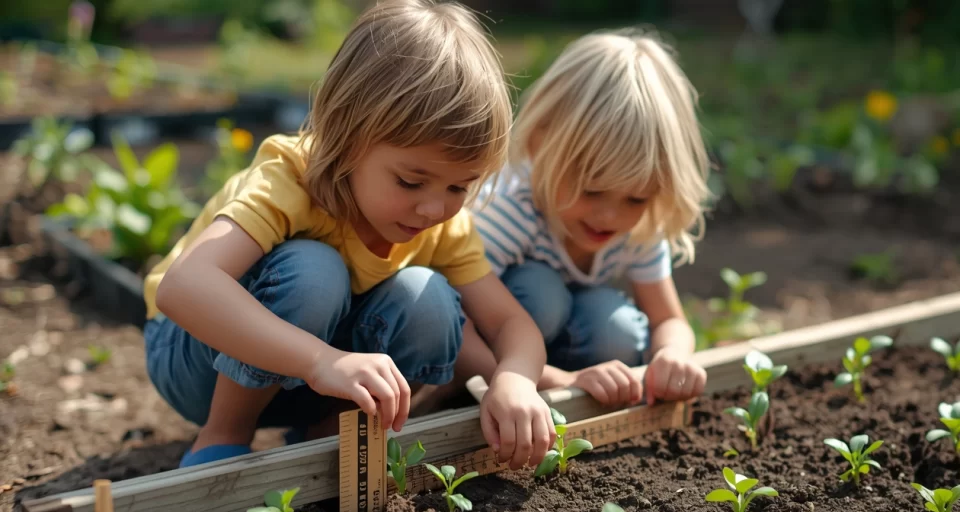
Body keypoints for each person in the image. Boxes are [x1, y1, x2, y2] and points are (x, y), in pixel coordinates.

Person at [142, 0, 555, 470]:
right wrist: (321, 361)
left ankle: (325, 433)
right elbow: (184, 287)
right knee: (313, 270)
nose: (434, 207)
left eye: (460, 186)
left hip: (311, 381)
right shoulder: (291, 179)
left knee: (431, 300)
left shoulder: (442, 224)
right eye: (410, 181)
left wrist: (516, 380)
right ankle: (222, 437)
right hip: (196, 361)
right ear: (347, 136)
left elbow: (510, 324)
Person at [461, 28, 711, 407]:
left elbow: (669, 320)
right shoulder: (511, 208)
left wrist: (672, 355)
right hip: (488, 355)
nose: (610, 215)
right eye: (591, 191)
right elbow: (457, 332)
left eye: (635, 198)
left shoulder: (639, 227)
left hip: (550, 353)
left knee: (619, 334)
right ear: (541, 144)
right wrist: (557, 381)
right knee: (542, 296)